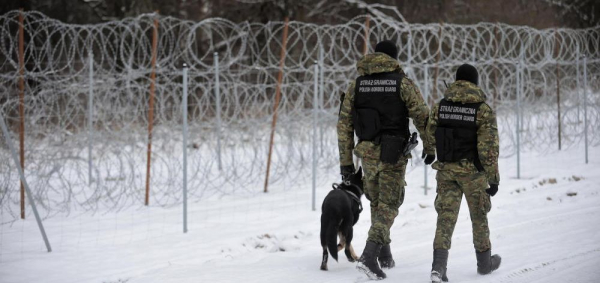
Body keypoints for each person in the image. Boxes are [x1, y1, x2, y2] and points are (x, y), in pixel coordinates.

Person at [337, 40, 434, 280]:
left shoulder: (356, 85)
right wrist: (430, 146)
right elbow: (422, 116)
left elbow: (344, 126)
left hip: (367, 154)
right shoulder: (402, 83)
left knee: (377, 202)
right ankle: (370, 257)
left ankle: (385, 255)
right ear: (394, 58)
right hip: (393, 153)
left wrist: (346, 162)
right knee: (389, 205)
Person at [424, 64, 501, 283]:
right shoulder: (482, 110)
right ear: (475, 83)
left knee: (445, 218)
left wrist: (429, 152)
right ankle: (485, 264)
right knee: (479, 216)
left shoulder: (442, 106)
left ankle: (438, 268)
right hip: (473, 174)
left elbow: (429, 131)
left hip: (446, 170)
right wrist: (494, 178)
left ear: (456, 81)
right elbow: (489, 148)